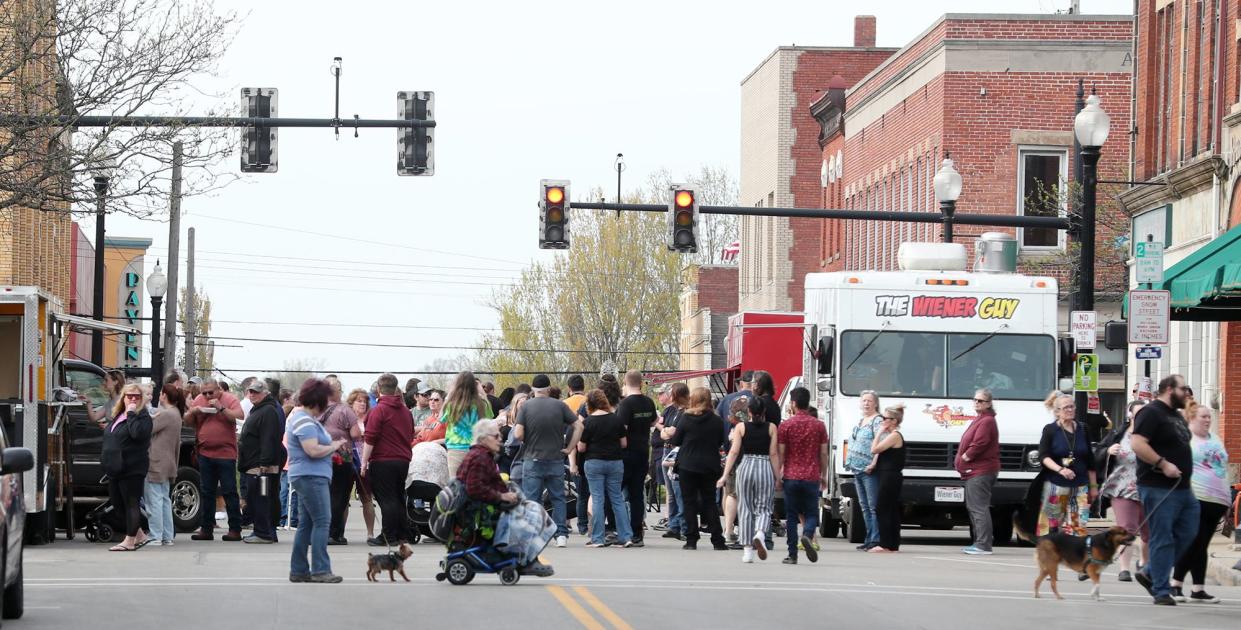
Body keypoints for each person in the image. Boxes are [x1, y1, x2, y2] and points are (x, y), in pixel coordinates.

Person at [1130, 375, 1196, 605]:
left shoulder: (1175, 416)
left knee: (1189, 532)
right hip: (1158, 486)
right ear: (1169, 389)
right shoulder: (1151, 412)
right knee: (1162, 537)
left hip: (1183, 488)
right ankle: (1160, 589)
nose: (1187, 393)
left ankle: (1150, 571)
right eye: (1183, 388)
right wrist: (1163, 464)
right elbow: (1137, 443)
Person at [458, 419, 554, 577]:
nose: (500, 439)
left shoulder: (483, 455)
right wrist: (501, 496)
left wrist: (508, 494)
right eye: (496, 436)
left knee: (530, 508)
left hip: (483, 504)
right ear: (483, 439)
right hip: (478, 510)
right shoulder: (479, 458)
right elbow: (474, 488)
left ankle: (527, 558)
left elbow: (491, 483)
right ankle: (525, 560)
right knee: (529, 516)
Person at [286, 379, 347, 583]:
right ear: (318, 400)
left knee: (307, 524)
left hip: (307, 475)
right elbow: (312, 450)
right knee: (322, 522)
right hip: (311, 476)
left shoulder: (304, 419)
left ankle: (299, 569)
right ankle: (320, 569)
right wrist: (334, 446)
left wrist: (331, 450)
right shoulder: (304, 420)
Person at [1169, 403, 1228, 603]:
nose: (1207, 420)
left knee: (1202, 544)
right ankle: (1176, 584)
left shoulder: (1215, 438)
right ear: (1191, 419)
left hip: (1217, 500)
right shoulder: (1186, 440)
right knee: (1195, 542)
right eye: (1203, 417)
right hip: (1196, 498)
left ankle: (1198, 589)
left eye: (1209, 417)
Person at [515, 374, 582, 547]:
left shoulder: (526, 407)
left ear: (533, 389)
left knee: (533, 499)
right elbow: (579, 425)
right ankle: (561, 534)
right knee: (558, 497)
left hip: (532, 459)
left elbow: (518, 434)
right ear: (549, 388)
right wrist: (569, 447)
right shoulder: (560, 405)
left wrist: (526, 440)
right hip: (555, 459)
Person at [718, 396, 780, 563]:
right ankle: (760, 532)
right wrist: (778, 477)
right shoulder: (772, 428)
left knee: (745, 507)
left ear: (749, 412)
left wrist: (724, 475)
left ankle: (747, 551)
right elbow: (774, 453)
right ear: (764, 412)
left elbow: (734, 452)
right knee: (764, 506)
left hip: (745, 467)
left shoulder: (740, 427)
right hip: (764, 466)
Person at [185, 377, 245, 541]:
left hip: (226, 454)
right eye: (204, 393)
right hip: (205, 452)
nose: (207, 395)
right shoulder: (199, 400)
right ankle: (206, 528)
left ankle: (235, 529)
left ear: (219, 389)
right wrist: (194, 412)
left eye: (211, 392)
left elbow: (240, 416)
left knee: (229, 491)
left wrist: (221, 408)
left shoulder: (229, 399)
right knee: (206, 492)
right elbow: (188, 421)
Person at [668, 387, 727, 551]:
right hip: (709, 465)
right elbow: (721, 442)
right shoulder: (717, 421)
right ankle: (717, 539)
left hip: (687, 465)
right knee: (710, 502)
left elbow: (676, 441)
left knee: (689, 502)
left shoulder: (686, 419)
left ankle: (691, 539)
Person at [360, 373, 414, 546]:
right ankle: (401, 533)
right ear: (396, 389)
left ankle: (388, 535)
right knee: (398, 496)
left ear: (378, 389)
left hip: (383, 460)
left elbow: (370, 437)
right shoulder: (406, 411)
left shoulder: (379, 411)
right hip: (403, 460)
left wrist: (364, 461)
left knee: (386, 499)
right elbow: (410, 433)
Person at [1100, 400, 1150, 581]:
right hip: (1122, 487)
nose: (1142, 417)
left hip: (1149, 487)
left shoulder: (1154, 436)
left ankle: (1144, 563)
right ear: (1130, 416)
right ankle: (1124, 568)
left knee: (1148, 531)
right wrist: (1108, 450)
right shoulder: (1119, 434)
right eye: (1137, 413)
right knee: (1127, 528)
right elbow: (1099, 451)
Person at [579, 390, 635, 548]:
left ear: (589, 404)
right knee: (617, 498)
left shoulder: (588, 422)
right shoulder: (616, 419)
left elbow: (581, 447)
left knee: (598, 499)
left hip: (594, 462)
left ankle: (598, 538)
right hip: (615, 462)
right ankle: (626, 536)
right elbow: (624, 443)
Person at [1035, 392, 1097, 537]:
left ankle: (1074, 556)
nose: (1070, 410)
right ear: (1057, 412)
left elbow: (1090, 459)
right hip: (1057, 485)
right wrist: (1060, 469)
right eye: (1065, 408)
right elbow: (1043, 456)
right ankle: (1049, 555)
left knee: (1078, 527)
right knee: (1051, 528)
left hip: (1080, 485)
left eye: (1072, 406)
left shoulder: (1083, 429)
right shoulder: (1050, 430)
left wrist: (1093, 487)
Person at [778, 387, 828, 562]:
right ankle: (807, 534)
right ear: (808, 403)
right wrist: (824, 474)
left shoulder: (785, 426)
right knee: (812, 512)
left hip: (791, 475)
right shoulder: (819, 425)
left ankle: (792, 554)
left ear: (793, 403)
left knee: (791, 516)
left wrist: (778, 475)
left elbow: (781, 453)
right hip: (811, 475)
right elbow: (823, 453)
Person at [103, 384, 154, 551]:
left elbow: (137, 434)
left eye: (136, 396)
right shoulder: (118, 414)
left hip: (132, 467)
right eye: (129, 396)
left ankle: (130, 540)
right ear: (123, 397)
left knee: (131, 502)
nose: (132, 399)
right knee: (117, 504)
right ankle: (138, 534)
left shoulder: (143, 417)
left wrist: (132, 413)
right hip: (115, 467)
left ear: (142, 399)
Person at [238, 379, 286, 544]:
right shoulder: (259, 409)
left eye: (256, 392)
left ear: (265, 393)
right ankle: (265, 531)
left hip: (262, 468)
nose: (252, 395)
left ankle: (264, 532)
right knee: (260, 497)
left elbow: (269, 438)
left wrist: (264, 464)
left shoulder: (268, 411)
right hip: (254, 464)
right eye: (250, 391)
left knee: (262, 497)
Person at [955, 388, 1000, 555]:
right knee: (974, 507)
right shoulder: (980, 419)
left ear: (988, 403)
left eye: (981, 401)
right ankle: (979, 542)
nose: (977, 402)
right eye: (975, 400)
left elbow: (980, 443)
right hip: (975, 471)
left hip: (980, 471)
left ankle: (983, 544)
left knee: (978, 507)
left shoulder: (987, 420)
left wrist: (965, 457)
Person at [615, 370, 656, 547]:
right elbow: (654, 422)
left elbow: (621, 429)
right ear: (640, 383)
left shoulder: (625, 405)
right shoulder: (648, 402)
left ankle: (620, 530)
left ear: (625, 382)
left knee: (616, 493)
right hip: (643, 452)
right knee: (637, 494)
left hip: (626, 453)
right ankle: (638, 533)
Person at [320, 377, 362, 545]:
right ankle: (334, 533)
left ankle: (319, 532)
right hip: (341, 458)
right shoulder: (345, 411)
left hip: (320, 457)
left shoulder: (316, 409)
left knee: (323, 496)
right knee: (339, 497)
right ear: (338, 392)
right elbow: (356, 434)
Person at [146, 384, 185, 546]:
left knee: (153, 501)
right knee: (164, 500)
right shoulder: (175, 413)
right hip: (168, 462)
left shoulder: (167, 414)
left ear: (164, 396)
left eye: (160, 393)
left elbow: (148, 428)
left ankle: (155, 536)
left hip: (156, 461)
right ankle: (167, 535)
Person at [845, 390, 883, 551]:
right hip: (857, 468)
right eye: (864, 400)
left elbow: (880, 444)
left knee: (873, 505)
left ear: (875, 403)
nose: (866, 403)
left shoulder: (877, 421)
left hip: (869, 469)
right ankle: (869, 538)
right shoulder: (861, 420)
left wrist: (874, 463)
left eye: (869, 401)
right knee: (864, 505)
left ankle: (876, 539)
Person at [867, 404, 907, 553]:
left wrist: (879, 433)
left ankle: (885, 543)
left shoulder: (895, 435)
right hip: (889, 475)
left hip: (890, 476)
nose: (882, 421)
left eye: (885, 418)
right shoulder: (892, 435)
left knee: (882, 508)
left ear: (894, 421)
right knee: (890, 509)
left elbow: (874, 449)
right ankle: (892, 544)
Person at [442, 372, 494, 479]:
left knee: (456, 486)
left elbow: (441, 419)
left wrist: (450, 393)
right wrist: (482, 393)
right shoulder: (482, 404)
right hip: (476, 449)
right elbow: (490, 418)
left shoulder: (452, 404)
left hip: (455, 448)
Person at [657, 383, 690, 540]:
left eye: (672, 393)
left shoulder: (686, 413)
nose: (670, 396)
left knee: (678, 491)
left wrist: (668, 431)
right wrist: (666, 431)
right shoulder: (674, 411)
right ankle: (673, 525)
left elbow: (675, 432)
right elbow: (665, 431)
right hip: (667, 450)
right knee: (671, 491)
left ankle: (684, 527)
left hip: (676, 452)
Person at [344, 388, 376, 540]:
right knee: (344, 499)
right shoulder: (346, 418)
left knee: (367, 498)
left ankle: (370, 533)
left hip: (367, 464)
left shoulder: (371, 418)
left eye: (365, 401)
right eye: (359, 401)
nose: (362, 404)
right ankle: (340, 532)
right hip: (349, 462)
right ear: (352, 403)